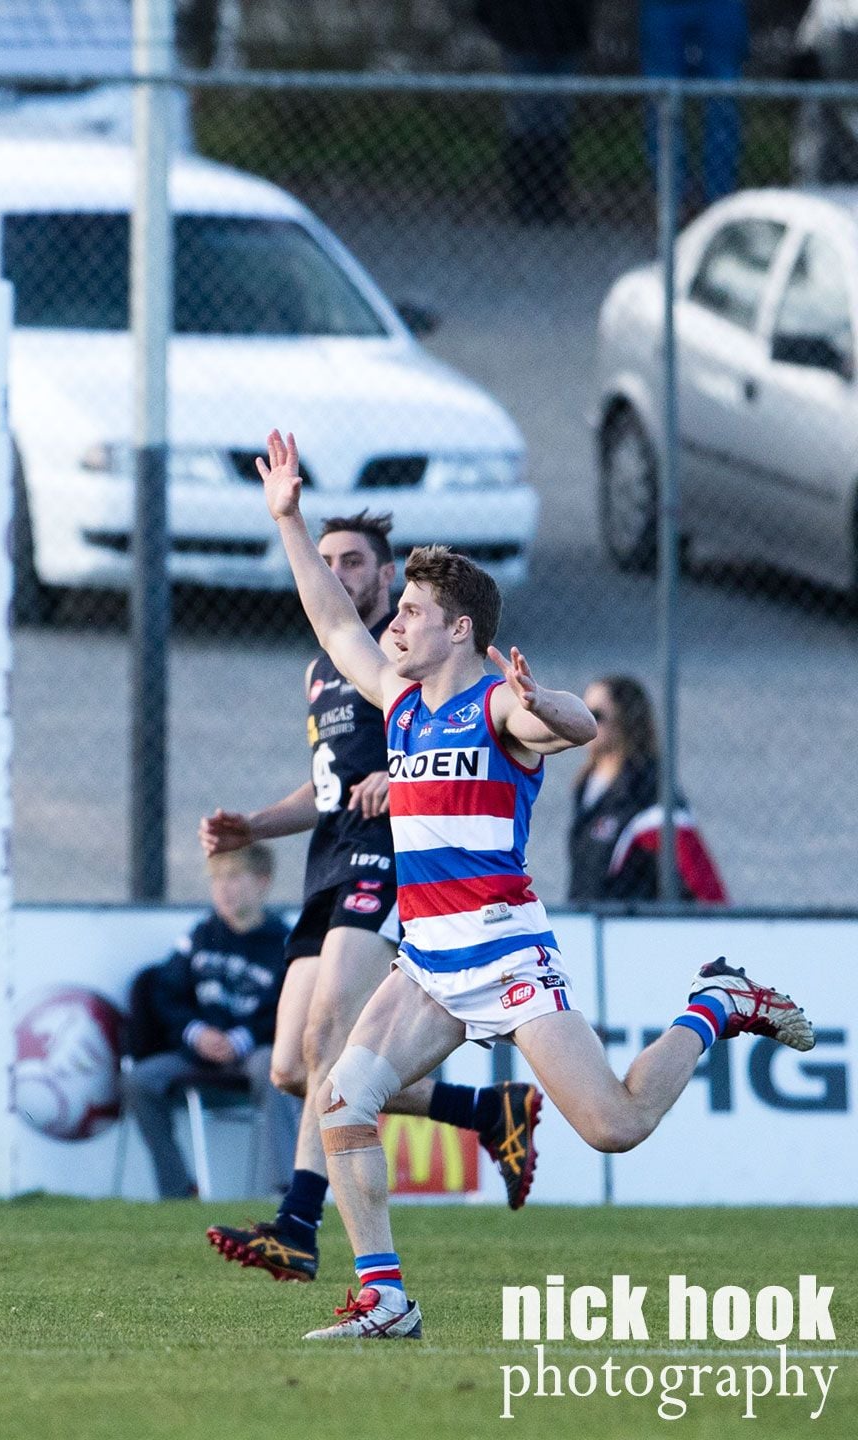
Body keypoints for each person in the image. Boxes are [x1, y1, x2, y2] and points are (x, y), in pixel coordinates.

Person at [255, 428, 813, 1341]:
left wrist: (543, 699)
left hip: (504, 949)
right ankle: (386, 1298)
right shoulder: (397, 698)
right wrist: (288, 518)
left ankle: (719, 1001)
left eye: (411, 614)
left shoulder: (497, 702)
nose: (392, 624)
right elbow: (330, 620)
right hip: (428, 958)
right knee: (343, 1100)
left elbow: (577, 723)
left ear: (460, 629)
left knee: (614, 1126)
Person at [202, 512, 538, 1285]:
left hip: (388, 861)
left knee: (328, 1043)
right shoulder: (324, 669)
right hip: (328, 863)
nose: (340, 573)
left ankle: (297, 1225)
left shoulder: (411, 646)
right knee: (292, 1066)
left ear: (386, 578)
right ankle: (489, 1113)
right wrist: (254, 824)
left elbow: (456, 728)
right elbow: (330, 789)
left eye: (354, 561)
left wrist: (403, 769)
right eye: (328, 561)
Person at [123, 844, 296, 1201]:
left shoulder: (285, 942)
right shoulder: (201, 936)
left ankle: (288, 1189)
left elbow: (293, 1007)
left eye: (234, 877)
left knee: (274, 1067)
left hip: (255, 1051)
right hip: (198, 1052)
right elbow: (164, 994)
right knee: (139, 1080)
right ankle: (177, 1192)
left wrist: (243, 1039)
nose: (223, 888)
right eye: (216, 879)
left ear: (262, 882)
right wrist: (196, 1033)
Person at [567, 674, 727, 904]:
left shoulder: (648, 786)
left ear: (624, 720)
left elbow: (694, 869)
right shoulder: (585, 785)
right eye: (582, 712)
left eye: (596, 715)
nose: (585, 721)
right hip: (588, 918)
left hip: (631, 923)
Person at [474, 0, 593, 224]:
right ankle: (525, 200)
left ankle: (551, 200)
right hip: (521, 35)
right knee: (526, 120)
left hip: (566, 36)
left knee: (556, 122)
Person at [640, 0, 746, 206]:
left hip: (720, 7)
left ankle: (719, 205)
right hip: (664, 8)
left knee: (723, 99)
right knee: (662, 100)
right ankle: (670, 205)